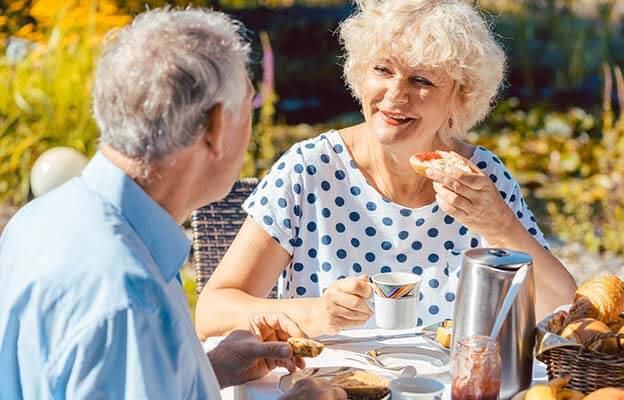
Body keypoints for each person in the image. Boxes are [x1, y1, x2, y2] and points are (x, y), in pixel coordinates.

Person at [0, 8, 345, 400]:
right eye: (249, 106)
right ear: (216, 126)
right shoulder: (130, 300)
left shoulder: (38, 219)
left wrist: (206, 369)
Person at [196, 0, 578, 338]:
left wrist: (501, 226)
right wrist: (315, 313)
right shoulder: (309, 169)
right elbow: (212, 312)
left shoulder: (481, 177)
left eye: (422, 80)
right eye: (383, 70)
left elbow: (561, 307)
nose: (395, 95)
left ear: (460, 99)